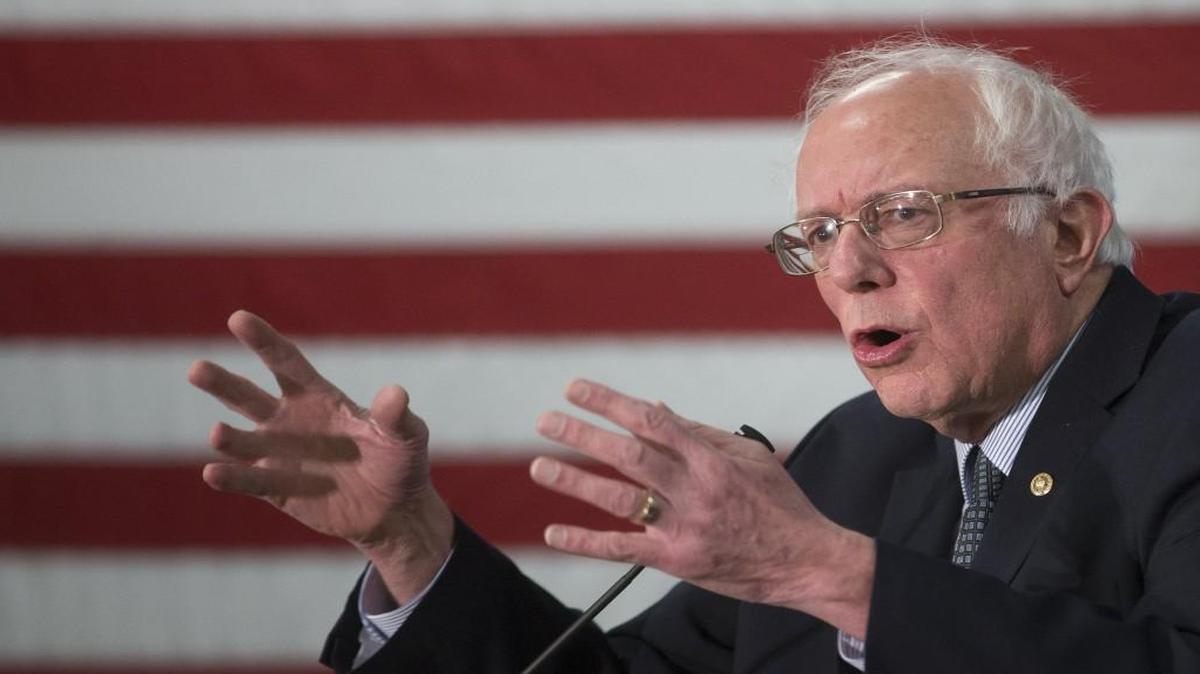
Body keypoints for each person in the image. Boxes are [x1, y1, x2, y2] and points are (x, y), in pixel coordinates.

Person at [188, 35, 1200, 672]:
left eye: (903, 213)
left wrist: (834, 573)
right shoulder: (850, 461)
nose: (847, 269)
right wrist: (411, 541)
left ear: (1068, 235)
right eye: (816, 234)